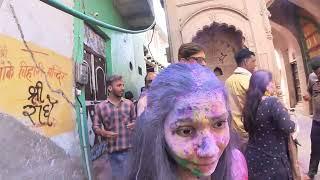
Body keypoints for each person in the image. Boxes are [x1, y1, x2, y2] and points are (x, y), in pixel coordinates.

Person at [126, 63, 247, 180]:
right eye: (186, 131)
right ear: (158, 132)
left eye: (219, 124)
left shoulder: (235, 166)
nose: (210, 151)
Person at [243, 70, 296, 180]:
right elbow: (288, 127)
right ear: (265, 85)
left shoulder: (249, 105)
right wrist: (295, 124)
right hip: (273, 159)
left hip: (253, 159)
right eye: (270, 81)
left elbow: (247, 127)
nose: (273, 84)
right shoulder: (272, 102)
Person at [93, 75, 136, 179]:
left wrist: (135, 124)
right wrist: (104, 133)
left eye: (123, 85)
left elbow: (136, 120)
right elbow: (95, 126)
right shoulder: (100, 107)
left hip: (131, 150)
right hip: (114, 153)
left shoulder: (129, 104)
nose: (123, 88)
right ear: (110, 88)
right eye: (119, 85)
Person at [225, 48, 257, 151]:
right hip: (249, 130)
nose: (255, 64)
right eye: (253, 61)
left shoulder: (228, 81)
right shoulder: (249, 80)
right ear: (245, 62)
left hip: (233, 130)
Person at [305, 57, 320, 180]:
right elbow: (309, 92)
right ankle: (312, 172)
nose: (318, 75)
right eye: (316, 73)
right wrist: (308, 96)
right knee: (315, 146)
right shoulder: (312, 78)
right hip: (317, 120)